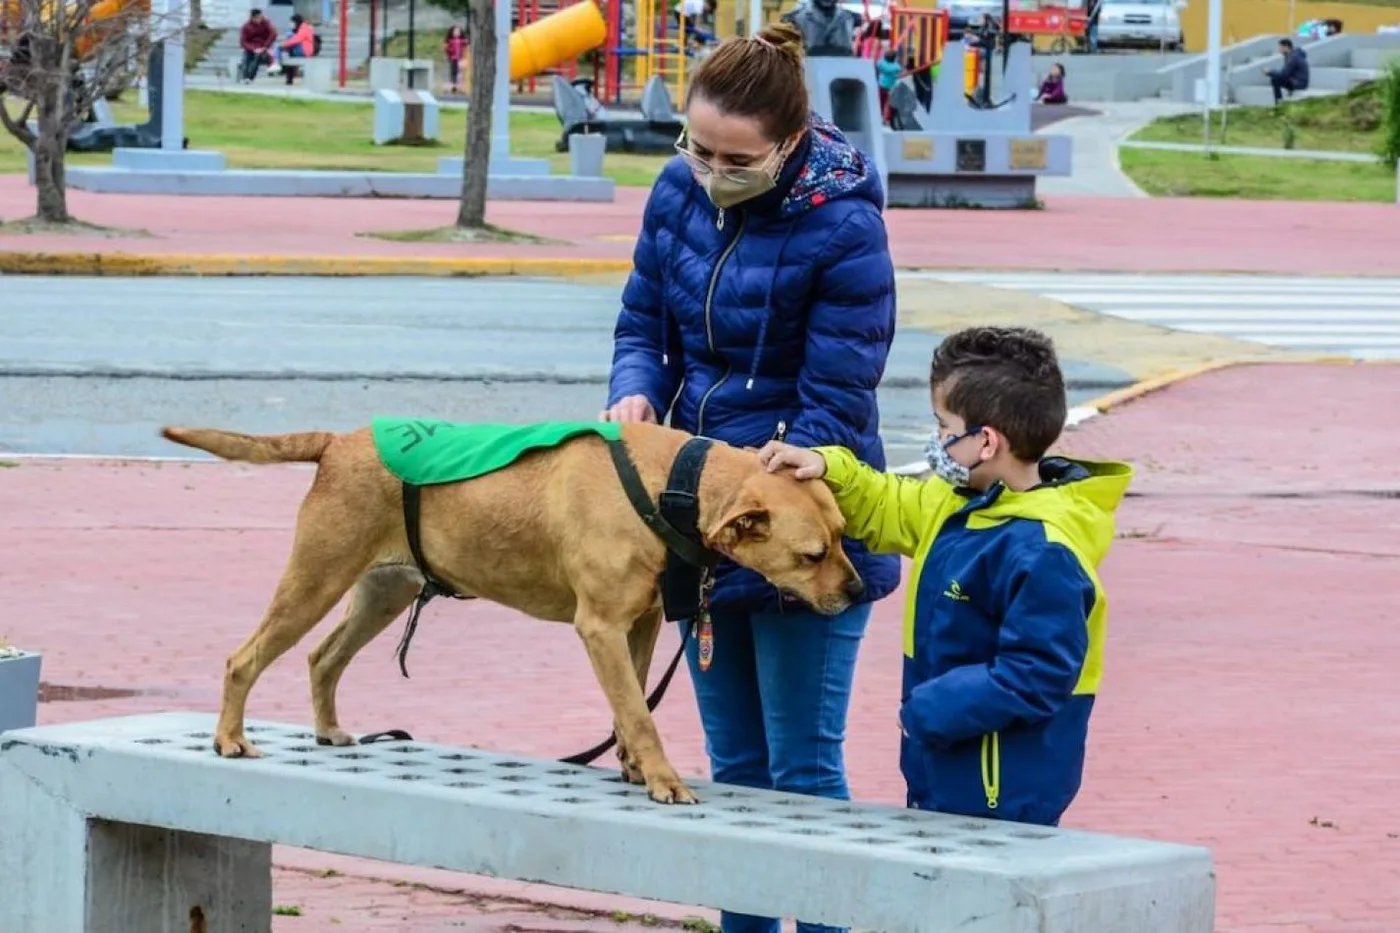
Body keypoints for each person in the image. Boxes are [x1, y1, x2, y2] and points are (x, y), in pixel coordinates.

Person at [600, 21, 900, 933]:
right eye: (697, 147)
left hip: (797, 514)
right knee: (733, 768)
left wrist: (772, 479)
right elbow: (640, 319)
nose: (710, 169)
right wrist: (635, 393)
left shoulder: (845, 225)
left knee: (803, 770)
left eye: (737, 158)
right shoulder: (676, 188)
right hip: (695, 512)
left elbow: (839, 391)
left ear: (790, 144)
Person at [757, 326, 1134, 827]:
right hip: (942, 764)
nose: (936, 441)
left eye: (943, 427)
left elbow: (1035, 676)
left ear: (986, 442)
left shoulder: (1044, 552)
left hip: (1003, 788)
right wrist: (827, 466)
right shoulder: (955, 504)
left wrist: (928, 711)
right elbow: (886, 502)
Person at [1264, 37, 1310, 105]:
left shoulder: (1293, 57)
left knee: (1275, 79)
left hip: (1299, 83)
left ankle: (1278, 103)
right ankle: (1279, 101)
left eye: (1280, 48)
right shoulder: (1290, 56)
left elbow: (1283, 74)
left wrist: (1269, 72)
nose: (1279, 50)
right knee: (1276, 78)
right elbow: (1285, 72)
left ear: (1286, 47)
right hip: (1296, 80)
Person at [269, 14, 314, 80]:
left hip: (304, 51)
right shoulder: (300, 28)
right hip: (299, 50)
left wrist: (284, 45)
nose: (291, 24)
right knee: (280, 46)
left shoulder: (305, 28)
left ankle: (276, 63)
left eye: (292, 22)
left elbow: (297, 39)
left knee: (288, 36)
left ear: (296, 22)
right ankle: (277, 62)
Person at [238, 8, 277, 84]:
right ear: (253, 18)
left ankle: (250, 77)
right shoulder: (246, 26)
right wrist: (253, 49)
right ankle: (245, 77)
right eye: (258, 18)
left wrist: (265, 46)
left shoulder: (266, 23)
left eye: (261, 17)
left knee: (257, 56)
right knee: (246, 57)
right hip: (251, 48)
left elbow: (273, 34)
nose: (260, 19)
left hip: (263, 49)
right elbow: (243, 42)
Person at [875, 48, 902, 122]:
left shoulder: (881, 64)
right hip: (891, 88)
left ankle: (879, 116)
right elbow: (899, 69)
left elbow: (879, 62)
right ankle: (886, 119)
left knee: (881, 103)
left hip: (881, 86)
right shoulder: (896, 67)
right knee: (889, 104)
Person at [443, 24, 467, 95]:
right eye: (455, 31)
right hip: (453, 59)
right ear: (452, 32)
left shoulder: (462, 41)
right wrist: (448, 53)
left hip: (461, 59)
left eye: (458, 31)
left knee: (460, 73)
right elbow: (446, 49)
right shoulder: (450, 41)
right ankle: (453, 85)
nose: (456, 33)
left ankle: (459, 86)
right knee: (453, 72)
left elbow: (466, 47)